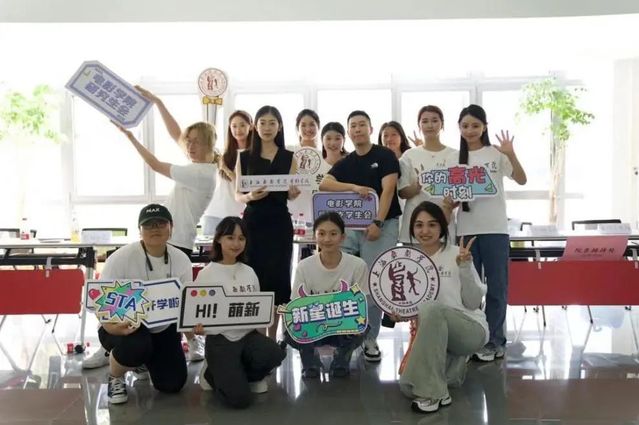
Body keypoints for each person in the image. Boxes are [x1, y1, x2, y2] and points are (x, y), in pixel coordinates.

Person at [319, 110, 402, 362]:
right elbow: (325, 183)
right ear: (349, 132)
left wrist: (377, 221)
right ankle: (345, 335)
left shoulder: (384, 155)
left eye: (362, 125)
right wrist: (353, 187)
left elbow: (388, 189)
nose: (357, 129)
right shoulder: (347, 162)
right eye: (353, 126)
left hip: (382, 226)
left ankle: (370, 339)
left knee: (373, 282)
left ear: (370, 128)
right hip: (352, 228)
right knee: (345, 279)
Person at [391, 201, 488, 413]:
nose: (425, 231)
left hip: (470, 329)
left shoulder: (457, 254)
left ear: (442, 228)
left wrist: (464, 267)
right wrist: (400, 315)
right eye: (419, 225)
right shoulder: (408, 261)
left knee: (432, 308)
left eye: (432, 224)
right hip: (433, 332)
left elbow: (473, 303)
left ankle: (435, 394)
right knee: (407, 386)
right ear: (411, 229)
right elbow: (411, 305)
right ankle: (450, 371)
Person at [97, 204, 192, 404]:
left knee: (172, 384)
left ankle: (142, 362)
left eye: (161, 223)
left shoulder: (181, 259)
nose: (155, 228)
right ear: (139, 230)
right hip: (123, 326)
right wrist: (112, 328)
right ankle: (116, 375)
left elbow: (186, 304)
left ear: (171, 227)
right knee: (136, 346)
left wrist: (192, 332)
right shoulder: (120, 258)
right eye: (148, 225)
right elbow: (103, 305)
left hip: (163, 327)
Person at [455, 104, 527, 361]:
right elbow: (452, 195)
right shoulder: (455, 157)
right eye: (465, 126)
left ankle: (495, 341)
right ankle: (471, 339)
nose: (470, 130)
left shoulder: (496, 153)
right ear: (459, 128)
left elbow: (522, 179)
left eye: (475, 125)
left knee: (497, 288)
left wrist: (511, 153)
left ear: (484, 127)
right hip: (465, 231)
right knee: (468, 290)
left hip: (495, 229)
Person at [193, 216, 286, 408]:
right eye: (230, 237)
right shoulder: (206, 274)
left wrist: (264, 332)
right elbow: (196, 312)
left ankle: (245, 376)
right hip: (220, 339)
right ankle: (212, 373)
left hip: (247, 336)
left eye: (241, 238)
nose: (236, 243)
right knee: (239, 400)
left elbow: (257, 311)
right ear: (219, 239)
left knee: (274, 353)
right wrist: (198, 328)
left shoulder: (249, 272)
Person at [235, 105, 300, 339]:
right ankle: (256, 335)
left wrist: (293, 192)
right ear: (255, 126)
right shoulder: (244, 157)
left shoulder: (289, 157)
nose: (267, 127)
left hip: (279, 223)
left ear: (279, 127)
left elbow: (291, 193)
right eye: (262, 122)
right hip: (253, 223)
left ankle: (272, 337)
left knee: (279, 279)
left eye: (272, 123)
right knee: (254, 278)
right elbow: (238, 194)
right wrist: (250, 196)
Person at [285, 212, 369, 378]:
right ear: (314, 236)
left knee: (362, 324)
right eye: (321, 234)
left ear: (342, 237)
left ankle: (341, 358)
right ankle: (310, 362)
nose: (327, 239)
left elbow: (361, 303)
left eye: (333, 234)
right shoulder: (304, 266)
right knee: (291, 329)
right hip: (314, 325)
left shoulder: (357, 265)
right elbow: (296, 305)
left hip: (343, 325)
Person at [398, 106, 458, 243]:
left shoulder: (455, 155)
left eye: (434, 120)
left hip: (444, 221)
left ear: (442, 124)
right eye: (425, 121)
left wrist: (450, 205)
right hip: (414, 224)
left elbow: (462, 191)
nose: (430, 125)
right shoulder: (409, 155)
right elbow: (402, 192)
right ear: (419, 125)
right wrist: (416, 188)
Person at [204, 110, 253, 235]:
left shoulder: (254, 155)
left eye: (242, 125)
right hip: (214, 212)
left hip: (239, 213)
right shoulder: (224, 154)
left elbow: (243, 185)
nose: (238, 130)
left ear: (251, 126)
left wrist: (225, 168)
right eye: (234, 126)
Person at [289, 109, 321, 258]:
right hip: (293, 212)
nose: (308, 129)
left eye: (312, 124)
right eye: (303, 125)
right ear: (297, 128)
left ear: (318, 126)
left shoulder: (324, 154)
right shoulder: (289, 152)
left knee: (312, 257)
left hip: (317, 213)